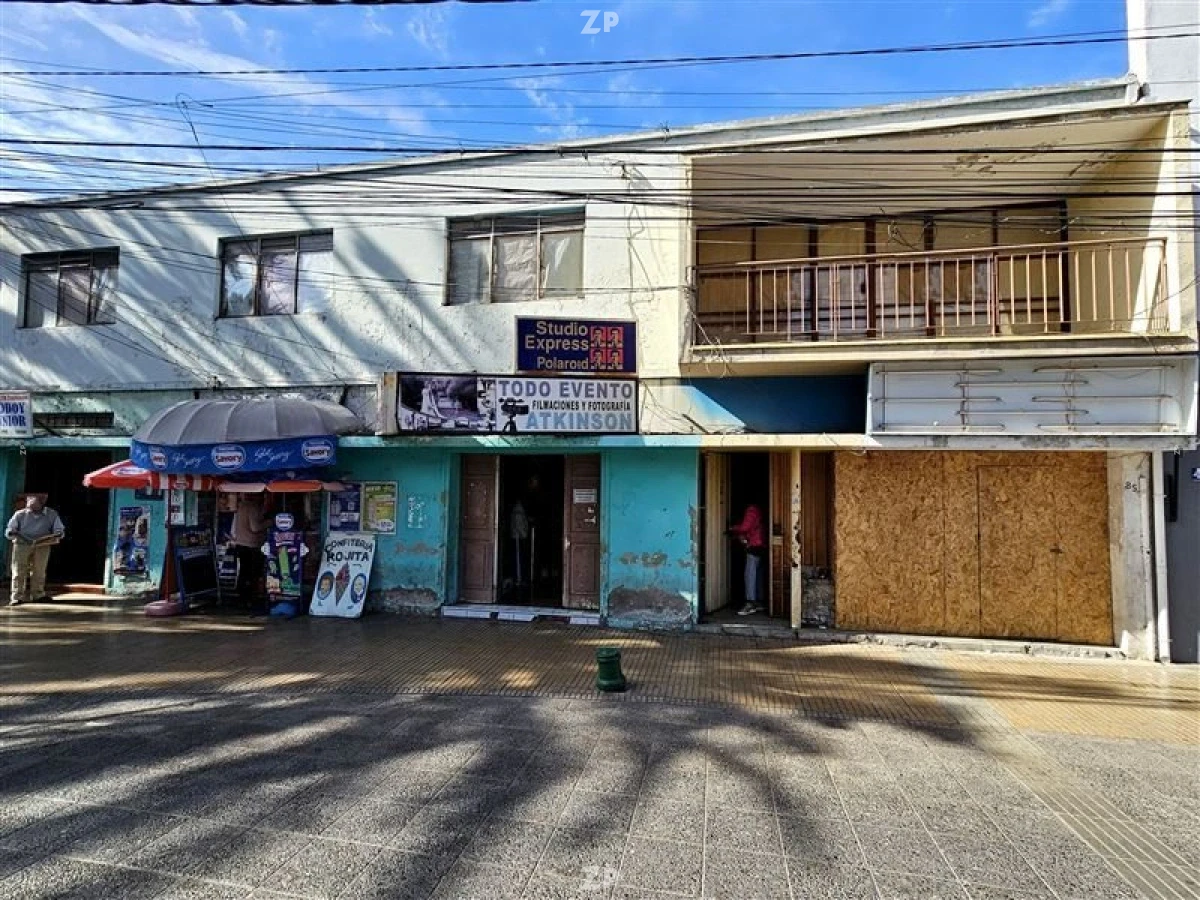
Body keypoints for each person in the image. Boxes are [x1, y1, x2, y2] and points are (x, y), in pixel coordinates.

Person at [6, 494, 65, 607]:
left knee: (39, 570)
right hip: (22, 544)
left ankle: (38, 595)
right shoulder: (20, 514)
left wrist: (57, 534)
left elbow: (59, 530)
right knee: (18, 570)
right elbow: (10, 529)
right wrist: (13, 532)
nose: (31, 510)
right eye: (29, 507)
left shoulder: (51, 514)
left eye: (34, 507)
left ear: (41, 504)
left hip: (42, 544)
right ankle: (17, 597)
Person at [231, 493, 271, 610]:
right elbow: (255, 527)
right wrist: (269, 522)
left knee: (244, 571)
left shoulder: (241, 506)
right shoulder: (253, 507)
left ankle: (242, 598)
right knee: (253, 573)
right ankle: (251, 598)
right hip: (252, 545)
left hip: (241, 543)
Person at [727, 503, 766, 616]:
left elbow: (745, 527)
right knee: (758, 575)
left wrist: (733, 528)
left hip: (754, 545)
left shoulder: (752, 509)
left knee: (750, 575)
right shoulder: (760, 510)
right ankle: (759, 601)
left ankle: (750, 603)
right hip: (761, 545)